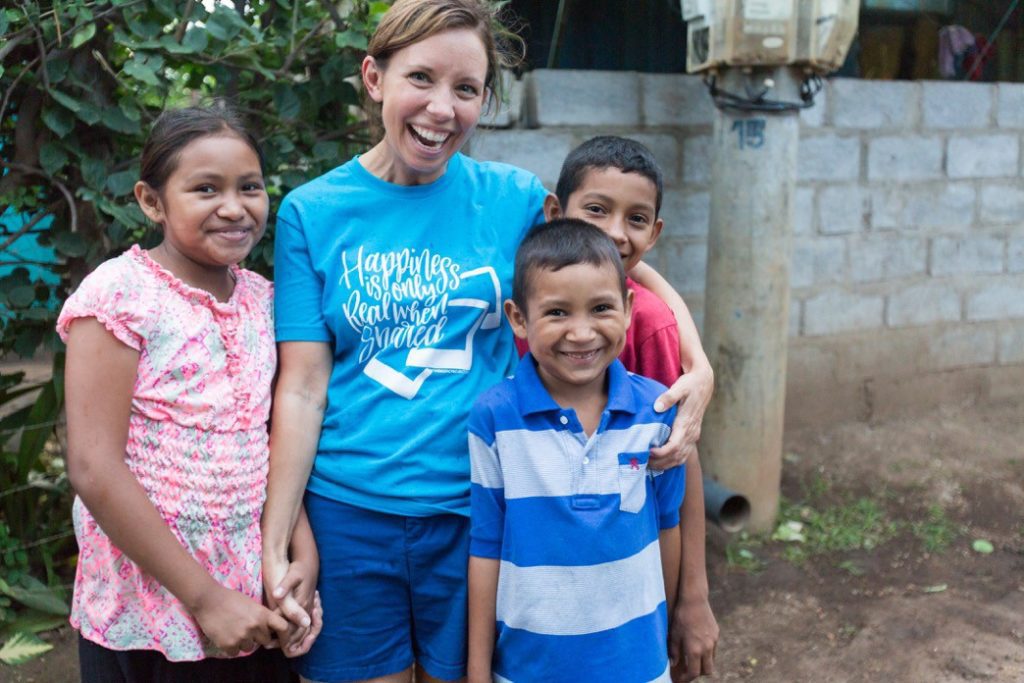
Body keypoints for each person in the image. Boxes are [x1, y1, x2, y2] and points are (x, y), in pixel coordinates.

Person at [262, 1, 713, 681]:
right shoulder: (311, 212)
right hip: (348, 513)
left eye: (466, 89)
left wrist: (697, 360)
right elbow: (300, 387)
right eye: (421, 78)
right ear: (373, 77)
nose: (442, 108)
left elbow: (608, 256)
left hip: (479, 513)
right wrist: (277, 540)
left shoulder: (514, 198)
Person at [59, 106, 320, 682]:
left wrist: (301, 553)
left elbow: (268, 439)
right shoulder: (119, 296)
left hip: (250, 604)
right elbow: (93, 466)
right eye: (206, 189)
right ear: (152, 201)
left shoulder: (263, 299)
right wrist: (205, 599)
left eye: (249, 186)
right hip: (149, 608)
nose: (235, 207)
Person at [467, 218, 686, 682]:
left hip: (639, 669)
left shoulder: (658, 412)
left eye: (601, 308)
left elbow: (669, 527)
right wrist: (477, 669)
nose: (582, 333)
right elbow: (486, 546)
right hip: (527, 669)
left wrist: (661, 640)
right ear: (518, 319)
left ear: (628, 309)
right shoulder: (494, 418)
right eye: (558, 313)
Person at [540, 136, 719, 680]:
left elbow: (677, 451)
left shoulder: (650, 323)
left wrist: (692, 597)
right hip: (535, 588)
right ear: (555, 211)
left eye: (636, 218)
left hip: (628, 583)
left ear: (655, 232)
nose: (615, 232)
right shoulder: (529, 307)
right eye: (596, 209)